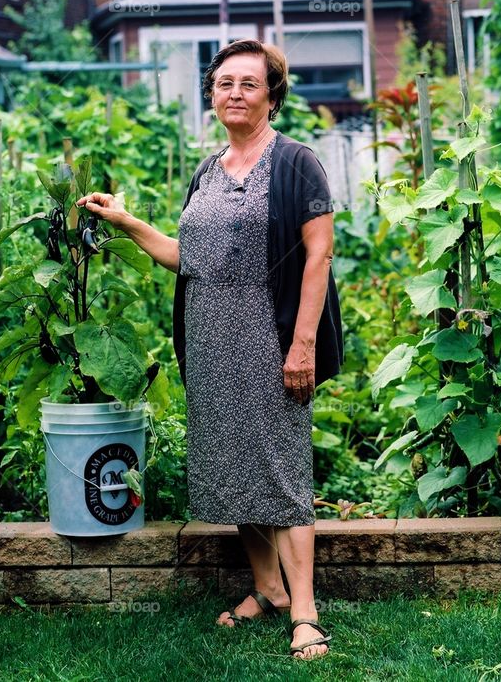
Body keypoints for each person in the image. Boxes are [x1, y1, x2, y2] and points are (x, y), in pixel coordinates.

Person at [77, 39, 343, 660]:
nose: (234, 93)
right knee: (231, 467)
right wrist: (129, 221)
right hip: (211, 342)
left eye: (249, 83)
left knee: (282, 470)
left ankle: (305, 613)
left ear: (272, 95)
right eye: (224, 83)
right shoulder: (206, 169)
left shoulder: (296, 163)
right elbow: (185, 256)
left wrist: (302, 344)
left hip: (270, 337)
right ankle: (267, 590)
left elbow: (319, 256)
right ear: (212, 95)